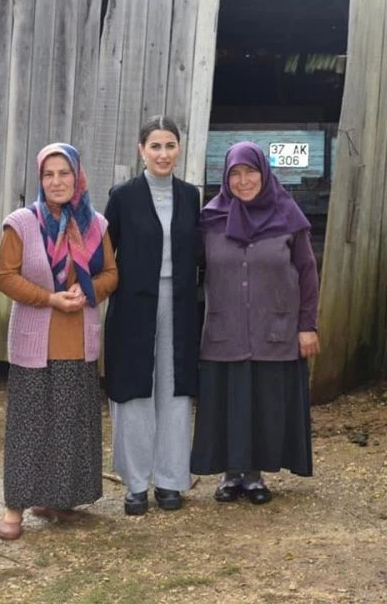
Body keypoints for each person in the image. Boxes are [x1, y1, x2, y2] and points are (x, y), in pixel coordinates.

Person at [0, 143, 118, 540]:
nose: (57, 181)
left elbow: (112, 273)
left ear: (77, 177)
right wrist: (49, 298)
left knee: (69, 425)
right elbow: (4, 276)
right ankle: (14, 506)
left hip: (78, 340)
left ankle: (52, 499)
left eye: (64, 173)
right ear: (40, 179)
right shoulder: (21, 223)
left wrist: (89, 290)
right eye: (49, 174)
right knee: (29, 426)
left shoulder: (96, 225)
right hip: (35, 341)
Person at [190, 141, 320, 505]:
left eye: (251, 172)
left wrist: (307, 326)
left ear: (265, 174)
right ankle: (231, 476)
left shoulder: (288, 216)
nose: (244, 180)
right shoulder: (210, 220)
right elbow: (188, 267)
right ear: (225, 177)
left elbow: (308, 273)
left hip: (275, 327)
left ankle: (257, 476)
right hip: (225, 328)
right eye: (235, 173)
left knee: (266, 402)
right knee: (229, 400)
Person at [104, 115, 200, 515]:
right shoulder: (123, 196)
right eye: (155, 146)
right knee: (134, 392)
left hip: (179, 302)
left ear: (179, 150)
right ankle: (136, 483)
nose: (163, 154)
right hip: (132, 305)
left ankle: (171, 480)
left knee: (174, 391)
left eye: (170, 145)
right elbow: (105, 253)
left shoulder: (190, 195)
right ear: (141, 150)